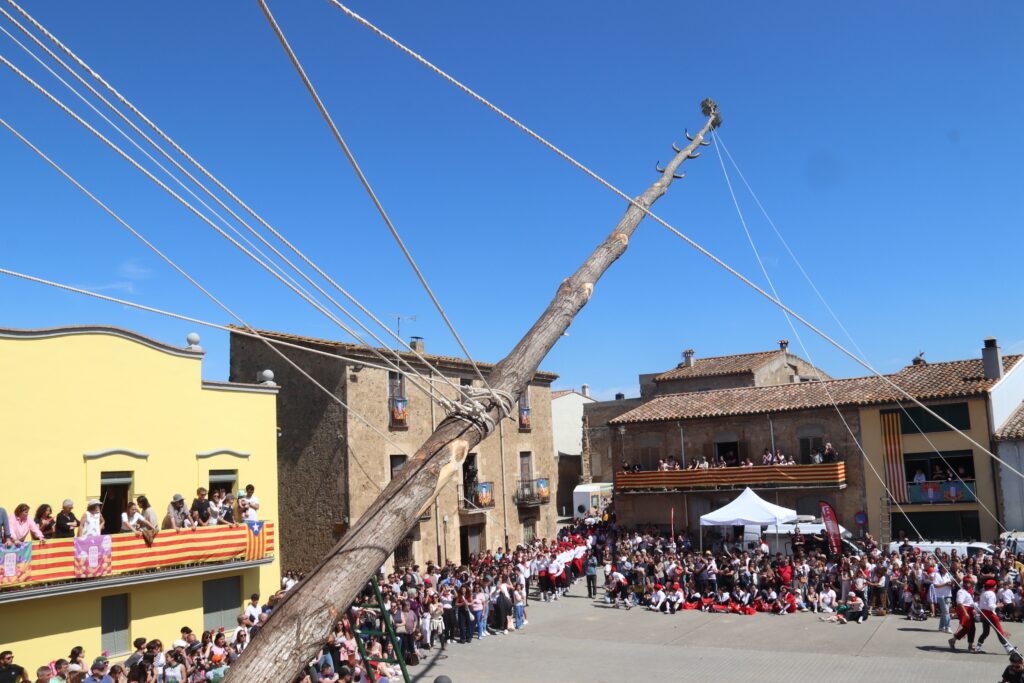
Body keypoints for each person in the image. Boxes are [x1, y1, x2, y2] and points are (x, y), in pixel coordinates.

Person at [979, 578, 1015, 653]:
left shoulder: (983, 593)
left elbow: (982, 605)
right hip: (990, 615)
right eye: (995, 585)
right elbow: (990, 606)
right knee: (999, 632)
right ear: (993, 586)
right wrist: (998, 605)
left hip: (983, 615)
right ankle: (1008, 648)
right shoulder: (991, 594)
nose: (996, 586)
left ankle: (978, 647)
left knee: (985, 632)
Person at [950, 576, 978, 651]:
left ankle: (970, 644)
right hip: (964, 610)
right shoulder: (961, 592)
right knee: (966, 628)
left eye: (970, 583)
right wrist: (965, 613)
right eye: (968, 583)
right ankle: (954, 639)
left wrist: (973, 609)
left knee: (972, 628)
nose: (970, 585)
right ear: (965, 583)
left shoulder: (969, 591)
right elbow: (960, 603)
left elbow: (970, 602)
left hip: (970, 610)